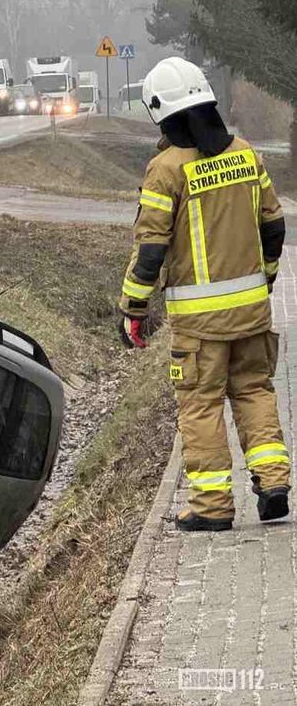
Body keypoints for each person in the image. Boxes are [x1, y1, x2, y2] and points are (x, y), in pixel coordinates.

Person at [118, 56, 291, 532]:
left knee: (201, 406)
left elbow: (150, 249)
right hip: (252, 313)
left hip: (199, 327)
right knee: (255, 391)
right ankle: (274, 485)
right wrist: (268, 277)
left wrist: (132, 307)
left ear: (162, 112)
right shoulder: (246, 153)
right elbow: (273, 226)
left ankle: (213, 508)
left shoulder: (166, 169)